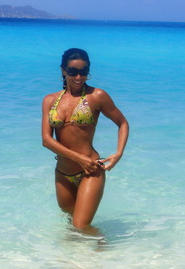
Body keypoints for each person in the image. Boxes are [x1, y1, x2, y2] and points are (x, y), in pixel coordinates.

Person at [42, 48, 129, 232]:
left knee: (81, 226)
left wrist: (118, 154)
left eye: (84, 71)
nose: (79, 77)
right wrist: (76, 158)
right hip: (63, 173)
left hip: (90, 170)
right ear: (63, 70)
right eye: (73, 71)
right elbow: (47, 140)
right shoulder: (50, 100)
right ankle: (72, 260)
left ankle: (104, 251)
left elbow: (122, 123)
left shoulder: (96, 96)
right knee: (71, 223)